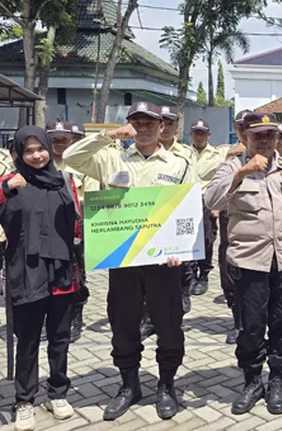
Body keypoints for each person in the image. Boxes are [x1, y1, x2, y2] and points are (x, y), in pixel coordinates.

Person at [62, 100, 194, 421]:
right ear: (130, 125)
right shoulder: (110, 157)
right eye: (137, 122)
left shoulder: (179, 162)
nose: (144, 127)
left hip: (165, 262)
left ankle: (166, 385)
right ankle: (129, 385)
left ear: (162, 126)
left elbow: (190, 206)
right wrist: (108, 135)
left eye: (150, 122)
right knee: (122, 323)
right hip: (123, 260)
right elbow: (69, 157)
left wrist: (183, 248)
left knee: (169, 325)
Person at [205, 111, 282, 416]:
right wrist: (242, 174)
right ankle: (253, 380)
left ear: (279, 138)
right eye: (258, 135)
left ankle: (278, 379)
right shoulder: (232, 166)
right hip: (250, 263)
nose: (265, 140)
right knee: (252, 328)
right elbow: (212, 201)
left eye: (271, 135)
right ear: (246, 137)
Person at [0, 127, 81, 431]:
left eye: (40, 149)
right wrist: (6, 190)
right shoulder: (9, 183)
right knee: (28, 340)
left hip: (61, 272)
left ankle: (57, 394)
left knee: (60, 339)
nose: (36, 156)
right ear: (19, 154)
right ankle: (24, 401)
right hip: (26, 272)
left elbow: (77, 222)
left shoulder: (63, 181)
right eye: (28, 151)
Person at [45, 120, 100, 344]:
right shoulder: (40, 163)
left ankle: (76, 316)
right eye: (54, 139)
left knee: (77, 277)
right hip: (47, 230)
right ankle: (51, 320)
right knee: (49, 276)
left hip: (77, 228)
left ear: (72, 139)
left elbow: (93, 199)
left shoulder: (83, 165)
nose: (59, 143)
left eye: (64, 139)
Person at [218, 110, 253, 344]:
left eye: (248, 127)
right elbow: (214, 190)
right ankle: (237, 321)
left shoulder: (271, 153)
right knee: (230, 273)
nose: (243, 131)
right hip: (231, 221)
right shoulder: (226, 153)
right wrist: (231, 160)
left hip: (258, 230)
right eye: (240, 127)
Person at [158, 106, 196, 313]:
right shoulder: (143, 151)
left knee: (182, 260)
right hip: (152, 214)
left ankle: (183, 292)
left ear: (176, 126)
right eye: (161, 122)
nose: (165, 127)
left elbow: (190, 185)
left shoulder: (186, 154)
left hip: (178, 212)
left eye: (170, 123)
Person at [188, 119, 225, 296]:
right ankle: (191, 275)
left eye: (202, 133)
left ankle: (204, 275)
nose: (199, 136)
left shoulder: (217, 155)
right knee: (187, 238)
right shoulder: (184, 153)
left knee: (207, 239)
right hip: (186, 199)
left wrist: (217, 206)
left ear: (209, 135)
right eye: (196, 132)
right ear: (190, 134)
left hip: (206, 200)